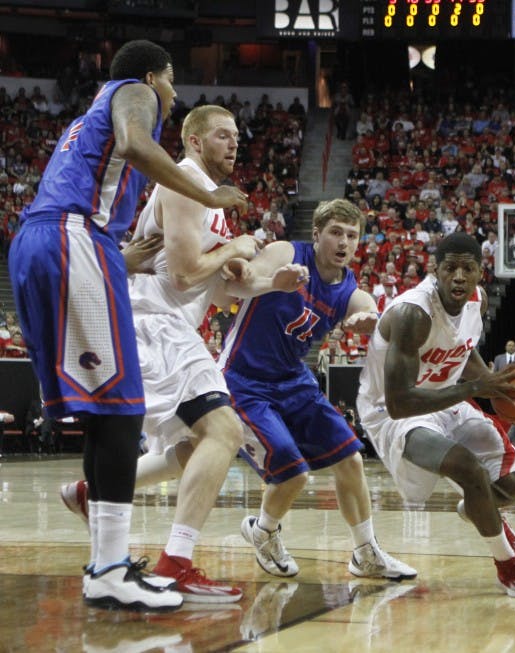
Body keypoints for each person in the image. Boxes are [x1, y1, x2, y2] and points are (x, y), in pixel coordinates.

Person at [11, 40, 245, 612]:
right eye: (171, 83)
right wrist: (209, 193)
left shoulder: (82, 122)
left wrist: (117, 256)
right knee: (120, 410)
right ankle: (111, 570)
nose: (170, 95)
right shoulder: (133, 91)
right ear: (152, 76)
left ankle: (104, 566)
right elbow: (139, 146)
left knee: (103, 411)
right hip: (72, 241)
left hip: (49, 243)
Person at [60, 105, 298, 603]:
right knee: (225, 431)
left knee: (195, 450)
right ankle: (177, 563)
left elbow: (212, 293)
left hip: (157, 321)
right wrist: (234, 246)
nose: (234, 144)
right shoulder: (184, 182)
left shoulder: (203, 198)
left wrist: (263, 281)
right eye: (221, 136)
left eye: (237, 135)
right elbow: (185, 275)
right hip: (153, 321)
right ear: (193, 142)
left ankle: (90, 494)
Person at [214, 199, 417, 582]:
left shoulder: (348, 286)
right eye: (336, 232)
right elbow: (234, 286)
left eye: (352, 235)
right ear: (317, 235)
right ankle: (266, 533)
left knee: (350, 460)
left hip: (293, 381)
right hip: (243, 379)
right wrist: (271, 280)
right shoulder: (286, 252)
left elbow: (366, 308)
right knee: (293, 473)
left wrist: (368, 319)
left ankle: (365, 553)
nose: (344, 242)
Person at [356, 232, 515, 598]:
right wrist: (473, 390)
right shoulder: (414, 313)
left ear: (480, 273)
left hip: (446, 398)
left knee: (514, 486)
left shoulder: (478, 301)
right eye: (450, 268)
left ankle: (476, 508)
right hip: (393, 412)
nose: (459, 276)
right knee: (468, 469)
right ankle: (509, 567)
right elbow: (400, 403)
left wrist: (489, 380)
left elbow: (463, 349)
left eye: (468, 268)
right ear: (435, 270)